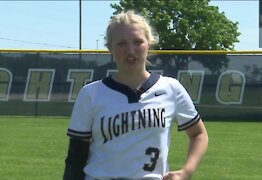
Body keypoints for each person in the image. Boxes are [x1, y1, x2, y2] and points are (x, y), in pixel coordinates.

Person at [63, 10, 208, 180]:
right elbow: (76, 155)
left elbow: (198, 134)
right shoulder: (91, 94)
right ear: (110, 48)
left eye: (138, 41)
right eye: (121, 43)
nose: (130, 50)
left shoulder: (171, 88)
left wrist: (186, 172)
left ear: (149, 44)